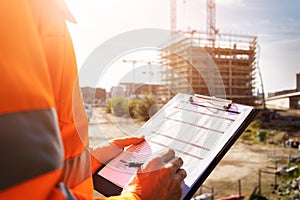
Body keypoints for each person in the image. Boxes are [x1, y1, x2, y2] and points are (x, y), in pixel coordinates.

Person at [0, 0, 187, 199]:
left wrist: (88, 163)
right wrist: (139, 197)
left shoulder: (39, 9)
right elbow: (21, 190)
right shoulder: (14, 9)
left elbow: (32, 165)